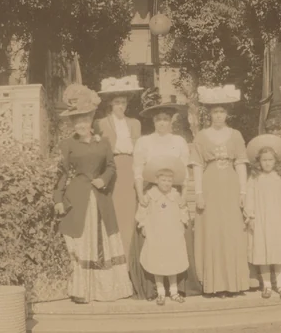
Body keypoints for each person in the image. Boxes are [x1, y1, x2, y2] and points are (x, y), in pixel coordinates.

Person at [52, 84, 132, 304]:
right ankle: (82, 290)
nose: (81, 124)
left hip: (100, 198)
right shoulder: (67, 144)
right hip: (77, 198)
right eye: (76, 121)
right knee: (81, 241)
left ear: (90, 121)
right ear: (72, 124)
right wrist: (58, 199)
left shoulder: (103, 142)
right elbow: (61, 174)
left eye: (84, 120)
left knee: (104, 240)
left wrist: (103, 179)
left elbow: (111, 167)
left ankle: (106, 290)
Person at [132, 95, 202, 298]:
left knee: (175, 239)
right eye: (158, 119)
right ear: (153, 122)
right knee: (153, 239)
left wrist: (182, 196)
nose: (162, 122)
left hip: (173, 195)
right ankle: (156, 288)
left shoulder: (179, 141)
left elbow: (184, 173)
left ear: (171, 121)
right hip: (152, 195)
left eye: (165, 118)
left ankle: (177, 287)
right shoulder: (144, 142)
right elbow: (138, 170)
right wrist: (140, 195)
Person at [191, 84, 253, 297]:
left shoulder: (235, 135)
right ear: (209, 114)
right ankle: (215, 284)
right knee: (213, 231)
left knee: (232, 231)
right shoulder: (201, 136)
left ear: (227, 113)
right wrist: (198, 193)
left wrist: (243, 192)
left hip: (231, 185)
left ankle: (235, 283)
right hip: (210, 186)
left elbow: (241, 164)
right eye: (214, 112)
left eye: (222, 112)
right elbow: (198, 166)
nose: (218, 116)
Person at [94, 76, 146, 296]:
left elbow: (140, 150)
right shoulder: (101, 123)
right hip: (111, 170)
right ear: (110, 104)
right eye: (116, 102)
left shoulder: (135, 123)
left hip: (130, 168)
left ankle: (133, 271)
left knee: (130, 218)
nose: (120, 106)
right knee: (114, 219)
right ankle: (116, 274)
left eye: (123, 102)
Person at [244, 134, 281, 300]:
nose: (267, 163)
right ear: (258, 162)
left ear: (275, 161)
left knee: (278, 254)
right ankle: (266, 285)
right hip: (261, 221)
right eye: (264, 160)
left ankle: (280, 285)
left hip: (277, 220)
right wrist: (251, 216)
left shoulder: (280, 178)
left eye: (270, 160)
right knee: (264, 254)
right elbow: (249, 198)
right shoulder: (254, 178)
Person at [135, 156, 191, 306]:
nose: (166, 183)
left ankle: (174, 291)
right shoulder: (150, 195)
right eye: (163, 180)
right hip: (156, 234)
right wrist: (144, 225)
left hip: (172, 234)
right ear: (157, 180)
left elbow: (182, 210)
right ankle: (160, 292)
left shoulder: (175, 195)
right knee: (157, 261)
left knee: (173, 261)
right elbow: (143, 211)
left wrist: (183, 221)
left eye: (169, 181)